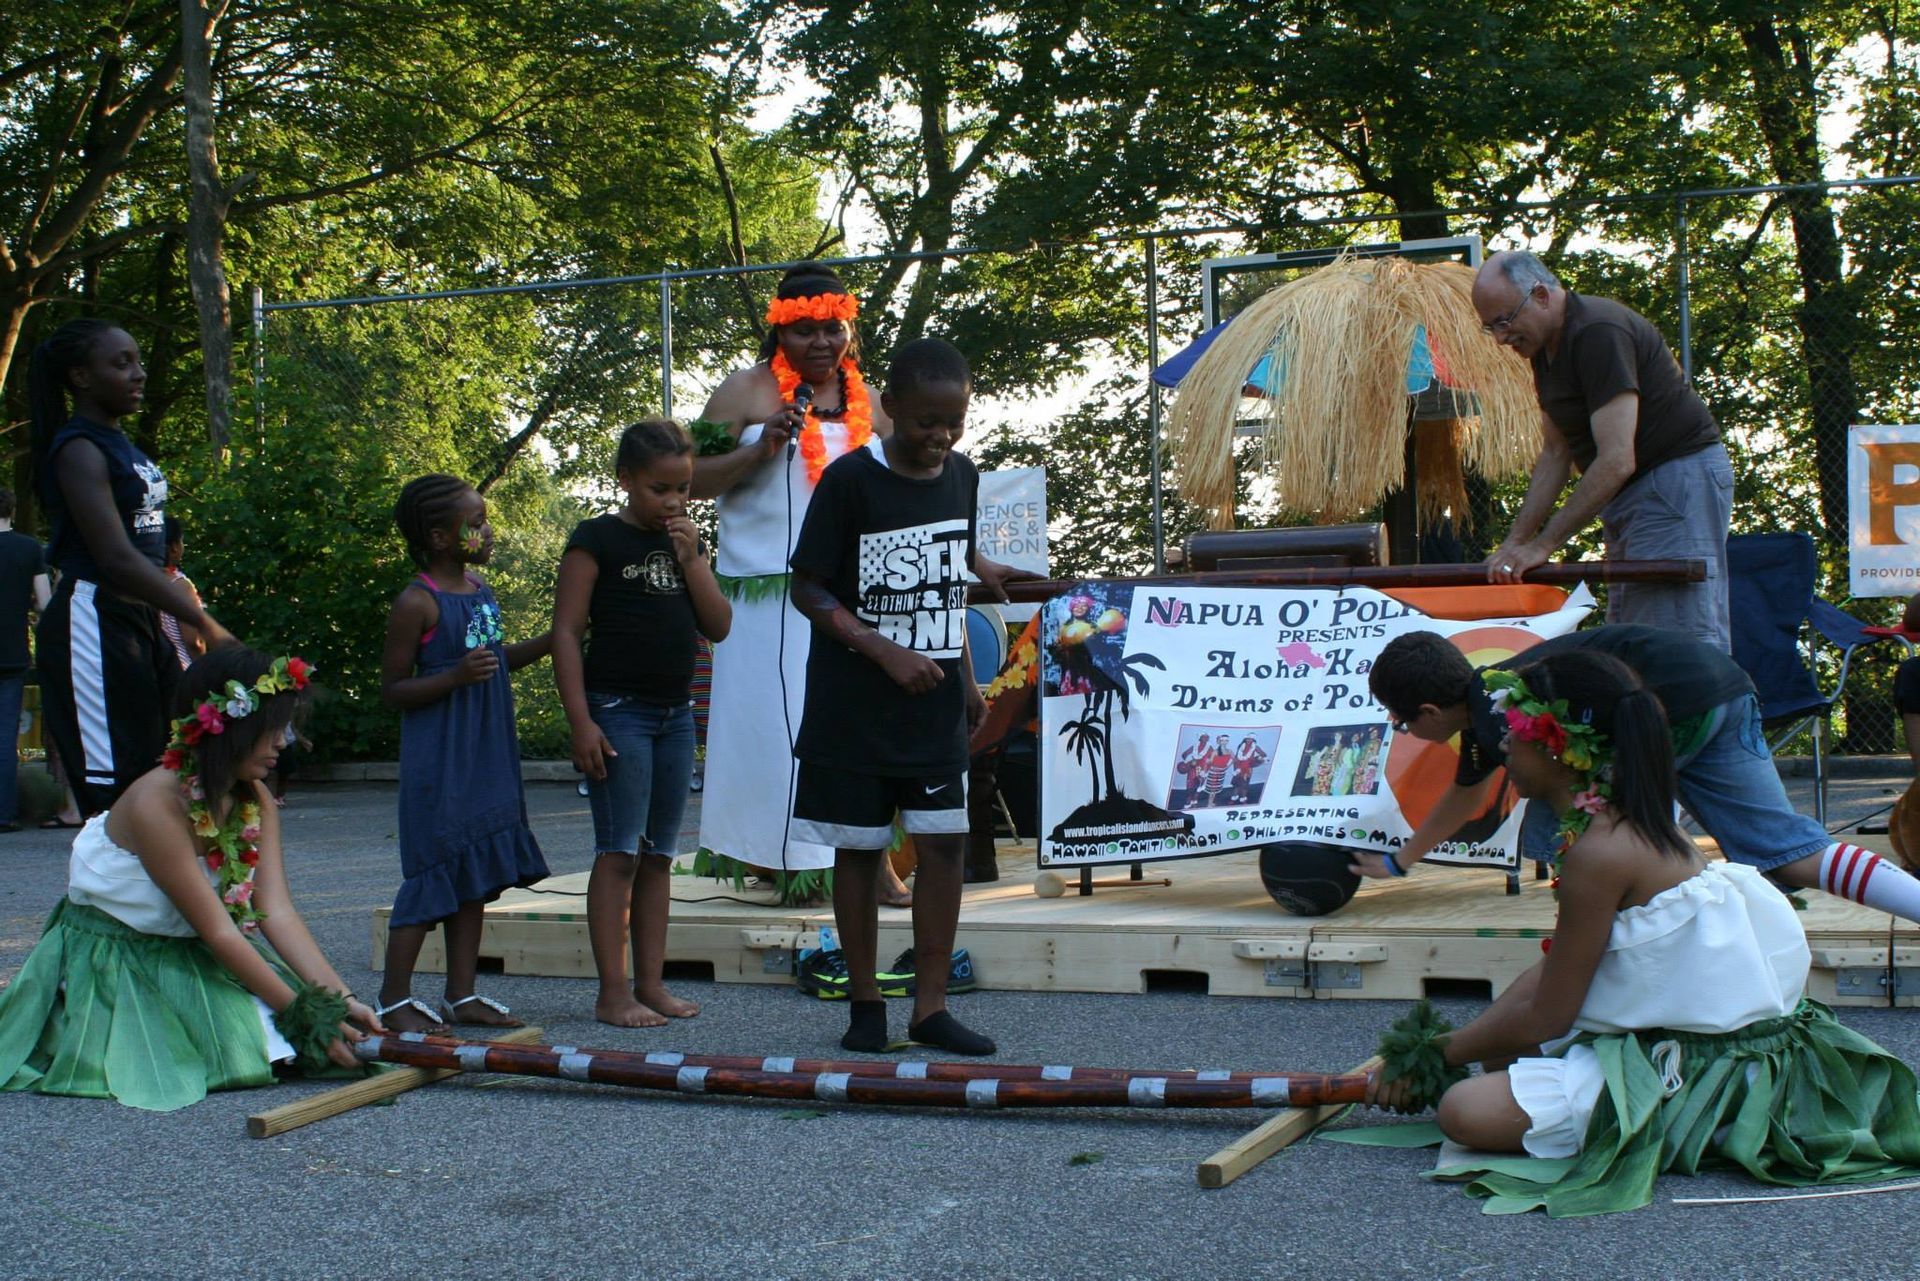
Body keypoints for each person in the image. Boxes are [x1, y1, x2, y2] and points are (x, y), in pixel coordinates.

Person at [1361, 650, 1920, 1216]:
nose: (1503, 745)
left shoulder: (1600, 852)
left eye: (1517, 732)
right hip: (1710, 1042)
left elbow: (1548, 1014)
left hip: (1704, 1067)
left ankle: (1714, 1121)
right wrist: (1453, 1049)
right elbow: (1555, 974)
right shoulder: (1618, 822)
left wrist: (1432, 1058)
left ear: (1559, 745)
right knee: (1503, 1057)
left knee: (1465, 1110)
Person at [0, 647, 384, 1111]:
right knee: (245, 1052)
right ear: (227, 726)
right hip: (117, 954)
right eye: (272, 728)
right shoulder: (156, 804)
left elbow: (277, 911)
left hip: (190, 945)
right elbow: (220, 931)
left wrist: (338, 997)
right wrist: (301, 1012)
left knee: (286, 1046)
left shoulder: (254, 797)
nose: (283, 742)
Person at [1359, 626, 1920, 927]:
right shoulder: (1496, 689)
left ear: (1430, 712)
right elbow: (1467, 796)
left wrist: (1397, 861)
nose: (1404, 730)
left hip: (1673, 708)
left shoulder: (1501, 711)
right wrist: (1400, 861)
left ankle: (1630, 946)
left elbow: (1476, 796)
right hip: (1723, 685)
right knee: (1783, 844)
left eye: (1403, 722)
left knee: (1563, 833)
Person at [788, 337, 1016, 1056]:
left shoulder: (964, 476)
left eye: (954, 421)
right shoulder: (851, 480)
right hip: (852, 705)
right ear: (889, 409)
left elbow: (949, 583)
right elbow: (807, 586)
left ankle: (929, 1009)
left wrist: (967, 681)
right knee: (858, 850)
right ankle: (864, 1005)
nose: (940, 436)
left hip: (933, 706)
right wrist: (884, 651)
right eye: (925, 421)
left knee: (945, 844)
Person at [691, 267, 913, 907]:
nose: (821, 343)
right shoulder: (744, 391)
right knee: (773, 728)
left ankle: (869, 864)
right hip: (763, 592)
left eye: (832, 329)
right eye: (804, 330)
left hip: (853, 591)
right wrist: (758, 453)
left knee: (854, 727)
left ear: (850, 329)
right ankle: (780, 859)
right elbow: (692, 479)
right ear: (779, 328)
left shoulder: (868, 401)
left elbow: (909, 480)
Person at [554, 421, 732, 1028]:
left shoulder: (687, 544)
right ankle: (612, 993)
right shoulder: (596, 540)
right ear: (626, 480)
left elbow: (719, 625)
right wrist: (581, 722)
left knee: (660, 856)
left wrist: (692, 560)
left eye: (683, 489)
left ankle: (650, 984)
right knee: (619, 851)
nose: (675, 501)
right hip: (617, 712)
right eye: (660, 489)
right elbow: (566, 634)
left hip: (673, 714)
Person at [1473, 251, 1733, 650]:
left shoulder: (1598, 331)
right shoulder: (1545, 348)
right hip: (1635, 494)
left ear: (1541, 295)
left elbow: (1616, 460)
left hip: (1674, 483)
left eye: (1505, 321)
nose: (1500, 338)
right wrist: (1515, 542)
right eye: (1490, 327)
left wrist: (1543, 546)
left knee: (1675, 634)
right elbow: (1556, 453)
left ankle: (1704, 712)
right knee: (1632, 629)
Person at [28, 320, 234, 816]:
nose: (138, 374)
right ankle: (108, 891)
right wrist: (203, 621)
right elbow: (117, 558)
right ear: (80, 377)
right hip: (94, 620)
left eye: (138, 361)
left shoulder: (125, 448)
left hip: (139, 624)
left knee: (164, 766)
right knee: (115, 790)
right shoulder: (79, 450)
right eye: (121, 364)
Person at [376, 475, 551, 1032]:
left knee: (472, 871)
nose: (487, 530)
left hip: (486, 751)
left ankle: (462, 994)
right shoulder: (417, 601)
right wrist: (452, 676)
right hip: (442, 758)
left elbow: (497, 660)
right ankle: (393, 999)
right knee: (434, 869)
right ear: (439, 537)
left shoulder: (480, 589)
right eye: (475, 524)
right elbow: (393, 689)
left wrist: (558, 638)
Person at [0, 488, 49, 834]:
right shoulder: (30, 548)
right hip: (12, 651)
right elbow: (45, 602)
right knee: (5, 735)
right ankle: (4, 812)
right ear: (12, 511)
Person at [157, 514, 205, 669]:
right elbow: (194, 641)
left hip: (153, 666)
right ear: (174, 547)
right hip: (181, 668)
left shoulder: (139, 581)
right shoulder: (180, 586)